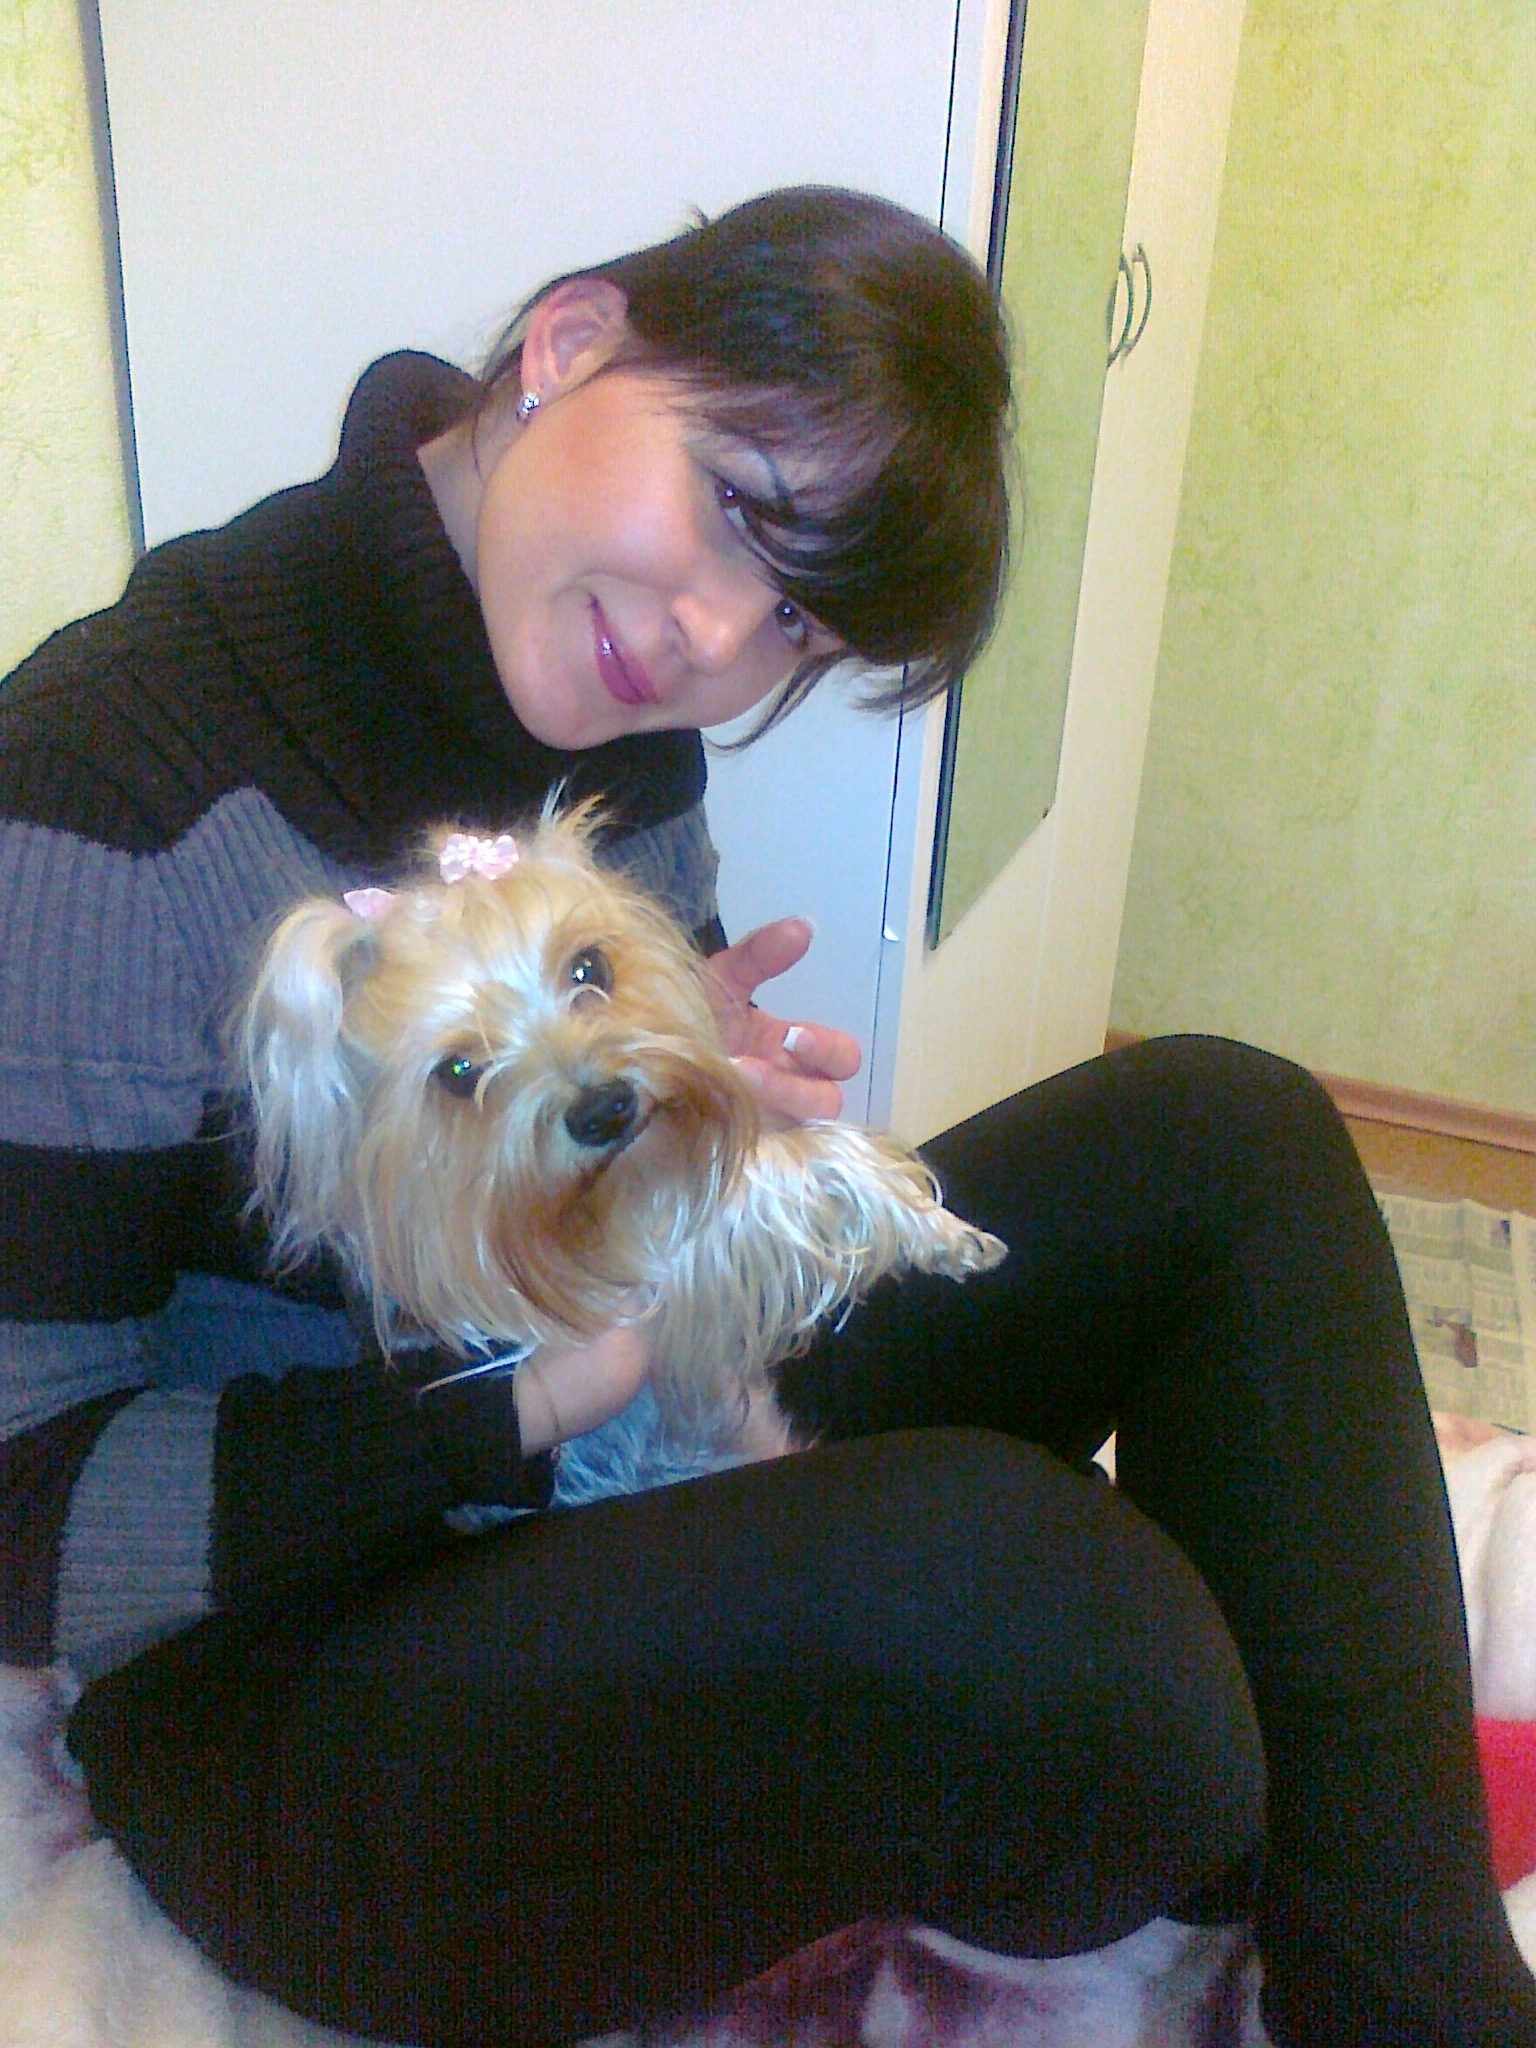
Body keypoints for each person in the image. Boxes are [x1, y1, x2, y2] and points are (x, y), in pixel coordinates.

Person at [0, 185, 1529, 2048]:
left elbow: (651, 1246)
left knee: (1232, 1135)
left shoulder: (611, 704)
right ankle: (1249, 1799)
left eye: (796, 619)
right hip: (300, 1695)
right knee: (1096, 1667)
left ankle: (1417, 1992)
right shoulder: (98, 796)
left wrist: (695, 1127)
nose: (718, 636)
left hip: (622, 1453)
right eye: (737, 501)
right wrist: (539, 1395)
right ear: (569, 343)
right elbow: (18, 1520)